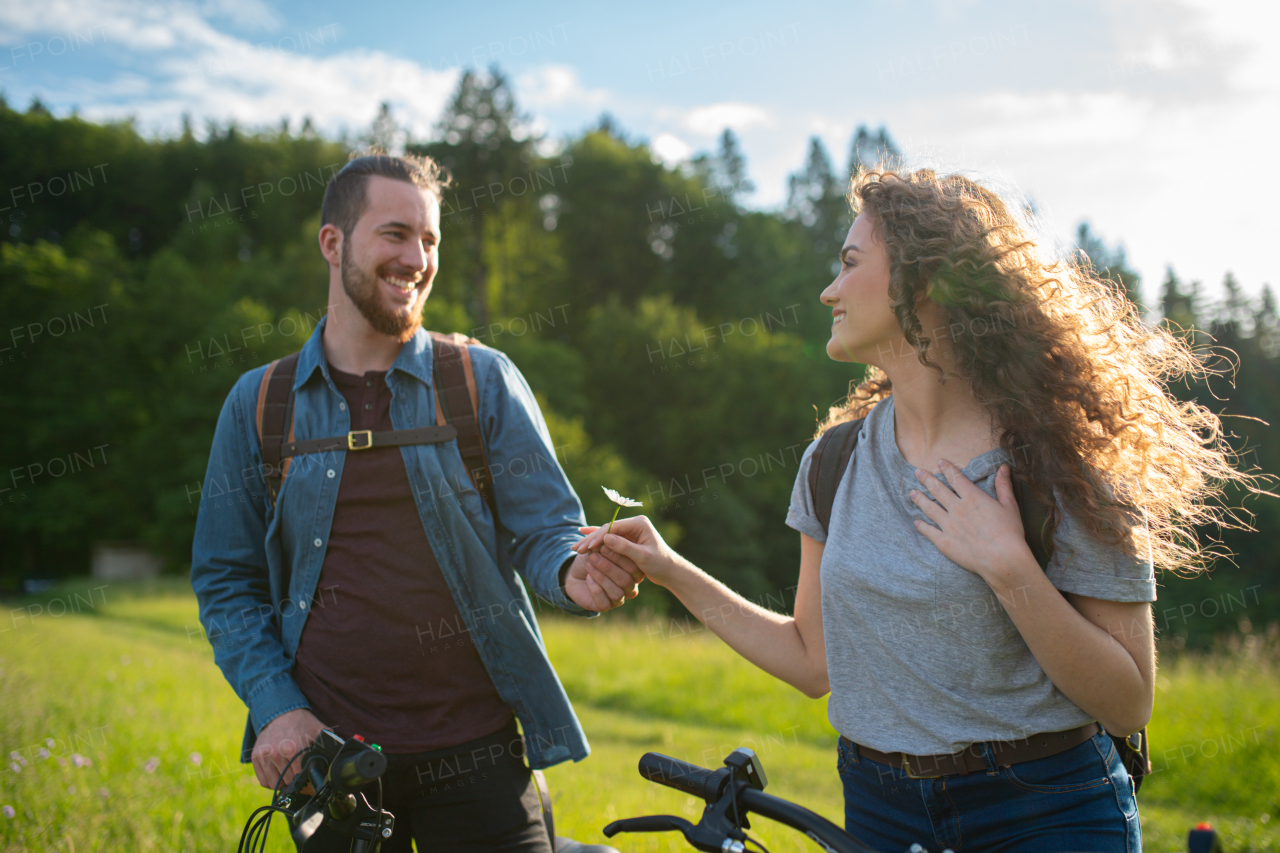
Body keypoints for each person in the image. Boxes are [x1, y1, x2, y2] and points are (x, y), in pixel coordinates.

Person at [577, 169, 1255, 853]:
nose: (829, 290)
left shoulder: (1062, 465)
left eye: (849, 264)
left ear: (923, 283)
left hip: (1045, 810)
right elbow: (815, 661)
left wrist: (1008, 565)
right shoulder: (833, 462)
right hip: (880, 805)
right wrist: (667, 569)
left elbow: (1128, 701)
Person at [191, 152, 643, 853]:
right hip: (331, 763)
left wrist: (569, 572)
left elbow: (545, 529)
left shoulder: (482, 381)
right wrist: (277, 709)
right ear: (333, 243)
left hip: (479, 754)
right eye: (396, 234)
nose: (418, 258)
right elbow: (226, 579)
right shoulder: (259, 404)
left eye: (430, 240)